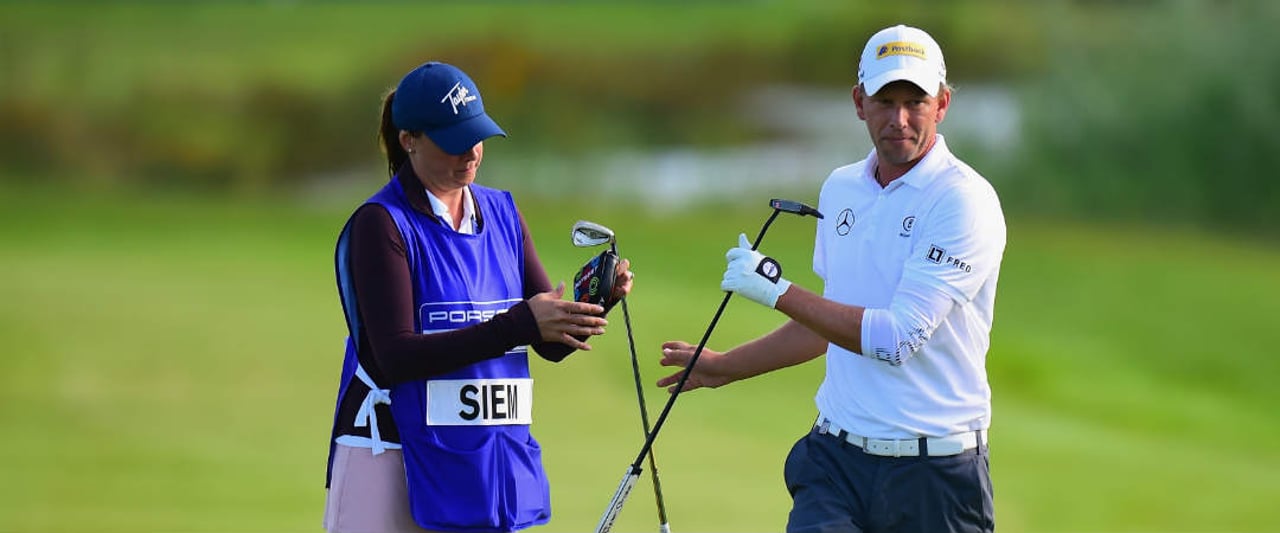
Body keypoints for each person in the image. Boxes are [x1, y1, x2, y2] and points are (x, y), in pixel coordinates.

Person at [658, 25, 1005, 533]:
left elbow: (896, 338)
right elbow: (828, 323)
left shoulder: (962, 200)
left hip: (936, 476)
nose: (900, 119)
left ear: (943, 103)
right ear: (859, 101)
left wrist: (776, 290)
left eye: (916, 102)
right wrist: (726, 367)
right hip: (836, 461)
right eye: (885, 101)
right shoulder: (842, 189)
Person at [323, 61, 633, 533]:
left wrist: (592, 304)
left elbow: (546, 344)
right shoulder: (381, 224)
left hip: (483, 459)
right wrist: (519, 325)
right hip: (387, 449)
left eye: (477, 136)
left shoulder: (503, 213)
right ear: (410, 139)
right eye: (452, 141)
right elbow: (396, 357)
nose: (470, 152)